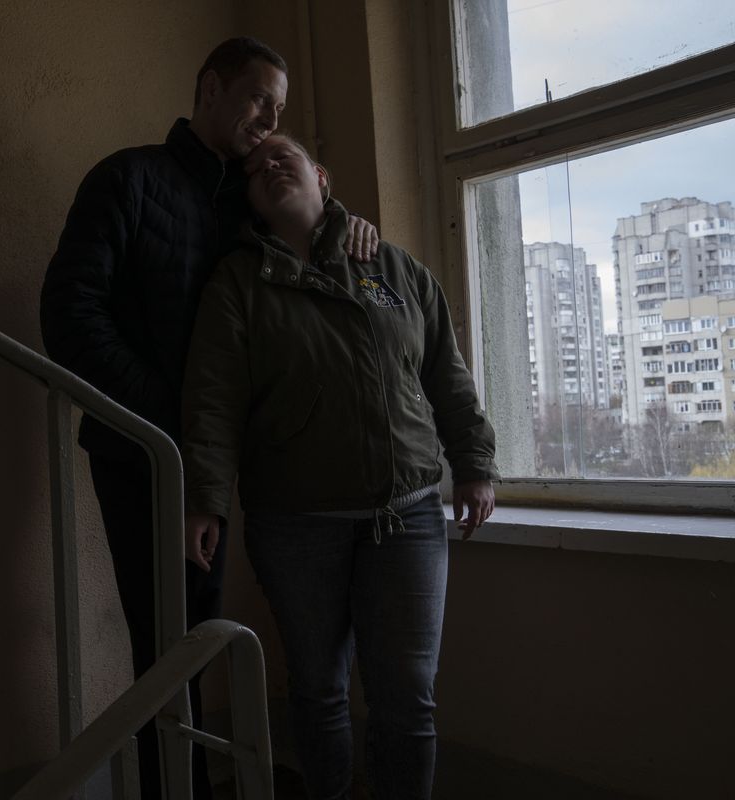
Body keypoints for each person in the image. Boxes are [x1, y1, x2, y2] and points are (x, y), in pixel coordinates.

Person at [40, 38, 379, 800]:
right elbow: (70, 312)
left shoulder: (249, 204)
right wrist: (171, 423)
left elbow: (306, 243)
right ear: (211, 88)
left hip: (215, 470)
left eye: (280, 110)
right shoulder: (127, 179)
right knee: (162, 645)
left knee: (197, 640)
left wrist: (350, 222)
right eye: (259, 98)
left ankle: (193, 783)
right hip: (140, 454)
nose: (269, 119)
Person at [179, 133, 499, 800]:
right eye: (255, 168)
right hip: (297, 526)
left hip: (406, 518)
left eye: (284, 158)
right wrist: (205, 497)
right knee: (319, 690)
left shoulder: (394, 268)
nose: (268, 167)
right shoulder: (237, 283)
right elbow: (212, 399)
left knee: (407, 699)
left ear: (321, 178)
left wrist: (474, 462)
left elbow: (447, 374)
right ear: (251, 201)